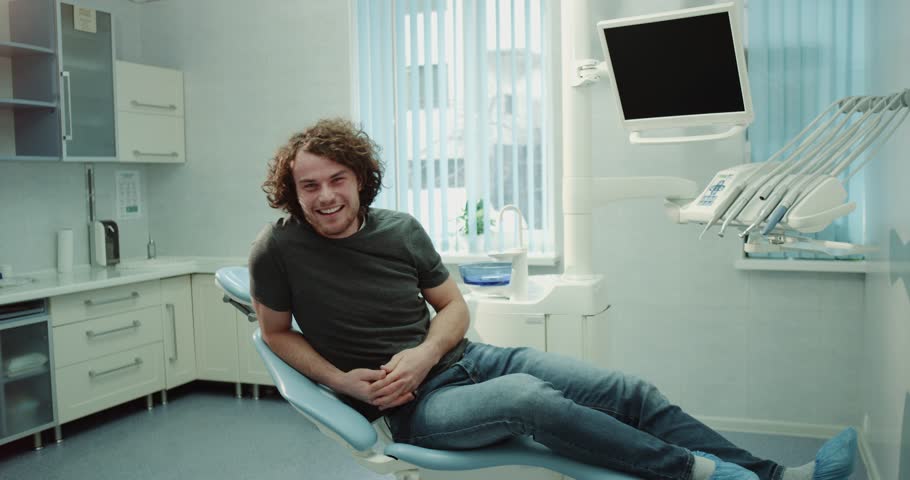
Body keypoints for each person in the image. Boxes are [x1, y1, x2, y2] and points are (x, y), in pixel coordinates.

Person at [248, 118, 857, 480]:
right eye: (309, 186)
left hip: (465, 361)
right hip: (406, 406)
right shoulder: (277, 251)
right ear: (292, 192)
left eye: (337, 180)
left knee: (629, 392)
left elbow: (454, 308)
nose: (325, 196)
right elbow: (275, 332)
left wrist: (427, 353)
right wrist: (346, 383)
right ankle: (698, 473)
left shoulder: (401, 229)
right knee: (529, 401)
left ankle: (777, 475)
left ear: (359, 179)